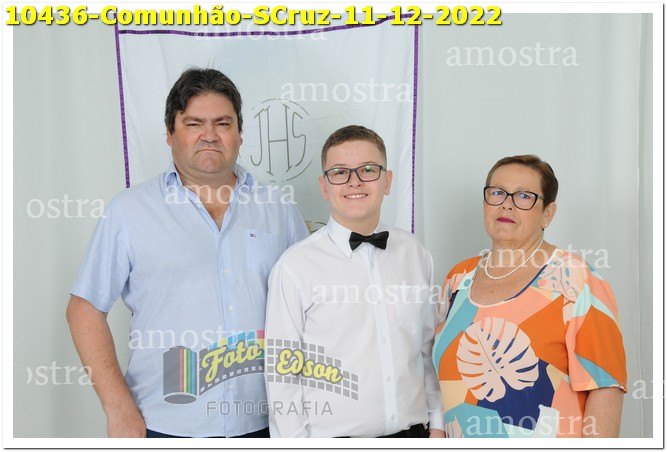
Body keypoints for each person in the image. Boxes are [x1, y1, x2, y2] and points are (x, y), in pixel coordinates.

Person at [66, 68, 309, 438]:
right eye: (194, 123)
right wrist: (117, 407)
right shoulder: (129, 212)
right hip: (164, 426)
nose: (209, 135)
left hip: (268, 425)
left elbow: (310, 309)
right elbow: (84, 310)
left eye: (223, 123)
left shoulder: (279, 209)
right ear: (169, 133)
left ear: (240, 134)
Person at [264, 125, 445, 438]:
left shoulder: (415, 254)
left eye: (368, 170)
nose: (355, 181)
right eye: (340, 172)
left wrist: (438, 423)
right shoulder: (294, 267)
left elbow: (427, 350)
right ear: (324, 186)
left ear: (387, 181)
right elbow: (282, 375)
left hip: (415, 434)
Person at [432, 155, 627, 438]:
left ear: (548, 213)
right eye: (497, 193)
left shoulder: (576, 279)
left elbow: (605, 387)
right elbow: (439, 381)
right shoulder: (458, 278)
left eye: (524, 196)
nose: (507, 204)